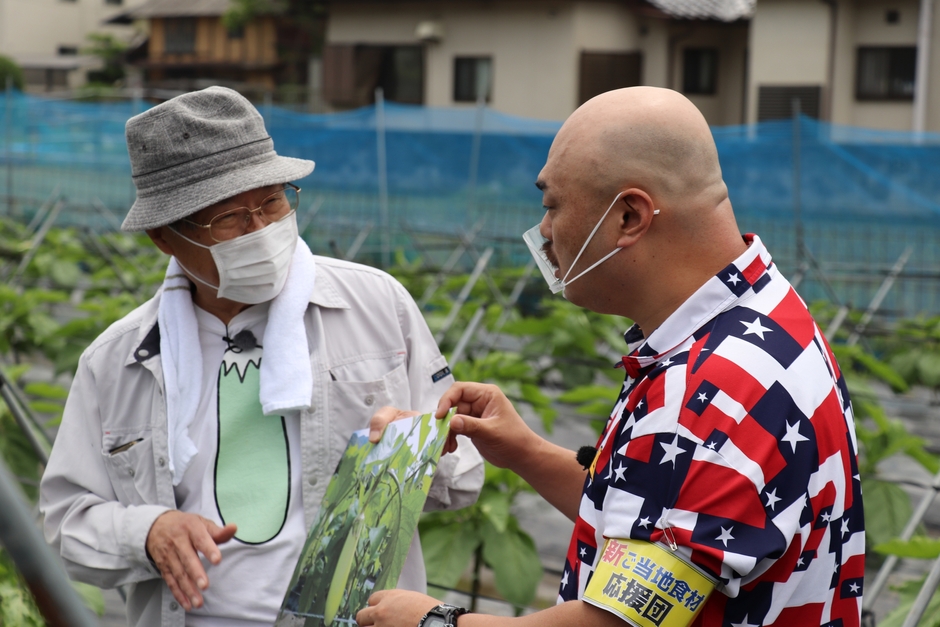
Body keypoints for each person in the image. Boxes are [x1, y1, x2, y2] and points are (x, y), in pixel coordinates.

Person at [356, 87, 863, 627]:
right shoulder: (767, 313)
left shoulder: (711, 390)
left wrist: (436, 621)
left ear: (628, 216)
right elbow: (664, 515)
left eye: (551, 206)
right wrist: (525, 451)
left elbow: (621, 622)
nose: (544, 232)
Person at [39, 86, 483, 627]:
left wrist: (421, 445)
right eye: (229, 218)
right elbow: (66, 520)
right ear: (164, 237)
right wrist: (148, 532)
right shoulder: (118, 360)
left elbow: (463, 477)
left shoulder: (375, 306)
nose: (262, 230)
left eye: (272, 202)